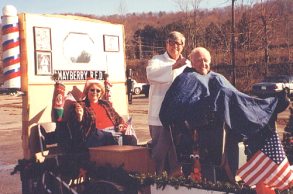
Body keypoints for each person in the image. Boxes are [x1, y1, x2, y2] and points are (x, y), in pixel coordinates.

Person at [159, 47, 290, 182]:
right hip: (203, 128)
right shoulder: (186, 78)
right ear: (192, 62)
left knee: (236, 98)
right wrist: (207, 105)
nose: (203, 64)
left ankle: (266, 107)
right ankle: (267, 108)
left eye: (206, 60)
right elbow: (176, 104)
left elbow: (237, 96)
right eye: (199, 61)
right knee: (224, 95)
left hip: (227, 124)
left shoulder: (217, 77)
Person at [146, 31, 191, 176]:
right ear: (166, 44)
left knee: (178, 154)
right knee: (159, 154)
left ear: (183, 46)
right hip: (159, 117)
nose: (175, 46)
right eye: (171, 42)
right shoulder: (157, 60)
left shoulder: (187, 63)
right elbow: (151, 75)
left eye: (179, 43)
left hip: (180, 117)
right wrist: (173, 67)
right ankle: (156, 182)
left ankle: (176, 183)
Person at [68, 78, 137, 148]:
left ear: (101, 93)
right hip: (95, 135)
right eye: (92, 90)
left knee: (131, 139)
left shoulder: (105, 104)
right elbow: (75, 127)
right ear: (87, 91)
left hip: (113, 132)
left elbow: (118, 119)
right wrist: (80, 117)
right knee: (100, 135)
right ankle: (116, 141)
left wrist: (121, 126)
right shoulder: (80, 105)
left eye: (98, 91)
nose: (95, 92)